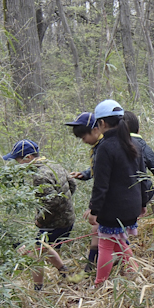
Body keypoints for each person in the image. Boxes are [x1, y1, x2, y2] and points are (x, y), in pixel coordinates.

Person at [86, 100, 149, 284]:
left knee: (105, 244)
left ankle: (100, 283)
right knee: (119, 241)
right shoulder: (134, 144)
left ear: (103, 123)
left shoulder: (105, 148)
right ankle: (134, 274)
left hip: (113, 211)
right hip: (132, 208)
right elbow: (142, 177)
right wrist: (143, 204)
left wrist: (94, 211)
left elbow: (101, 185)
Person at [3, 139, 76, 291]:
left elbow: (52, 202)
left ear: (28, 158)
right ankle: (65, 273)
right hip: (68, 218)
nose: (18, 164)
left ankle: (38, 291)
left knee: (35, 254)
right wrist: (66, 205)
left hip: (55, 223)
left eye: (18, 160)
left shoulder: (40, 175)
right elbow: (72, 184)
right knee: (44, 248)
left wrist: (40, 221)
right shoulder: (54, 165)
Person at [65, 112, 103, 272]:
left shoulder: (104, 147)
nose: (83, 141)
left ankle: (94, 265)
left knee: (99, 229)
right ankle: (92, 263)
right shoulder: (98, 147)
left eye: (83, 136)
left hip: (110, 198)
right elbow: (98, 169)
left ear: (95, 130)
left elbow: (102, 180)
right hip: (107, 198)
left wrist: (93, 207)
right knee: (98, 231)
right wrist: (85, 174)